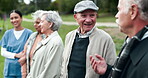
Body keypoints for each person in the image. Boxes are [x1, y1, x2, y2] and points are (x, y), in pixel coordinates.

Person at [90, 0, 148, 78]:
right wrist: (108, 70)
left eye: (119, 10)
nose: (116, 15)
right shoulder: (132, 43)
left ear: (133, 11)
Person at [60, 1, 117, 78]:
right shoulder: (69, 36)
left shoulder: (105, 39)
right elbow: (64, 65)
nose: (88, 20)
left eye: (92, 15)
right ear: (75, 17)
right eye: (83, 16)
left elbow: (113, 70)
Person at [26, 11, 64, 78]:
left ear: (50, 24)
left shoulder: (56, 43)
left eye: (42, 22)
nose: (39, 25)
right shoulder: (45, 40)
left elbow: (50, 72)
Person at [0, 10, 32, 78]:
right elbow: (3, 52)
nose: (14, 20)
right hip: (9, 70)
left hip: (23, 69)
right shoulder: (7, 34)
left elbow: (32, 51)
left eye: (16, 17)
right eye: (12, 18)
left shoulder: (29, 33)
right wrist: (16, 55)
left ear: (21, 18)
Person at [18, 10, 46, 78]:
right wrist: (24, 74)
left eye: (37, 22)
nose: (34, 25)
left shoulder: (49, 38)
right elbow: (24, 54)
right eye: (34, 22)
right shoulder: (32, 36)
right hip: (30, 73)